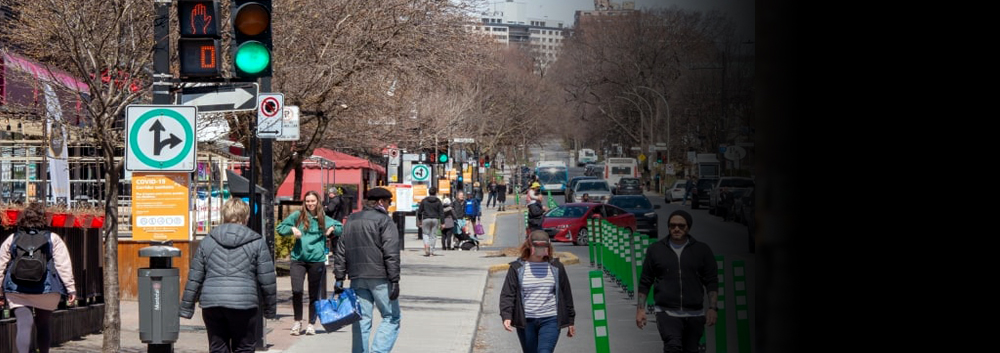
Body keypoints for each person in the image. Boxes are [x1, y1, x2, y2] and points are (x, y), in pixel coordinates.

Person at [180, 198, 277, 353]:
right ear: (246, 217)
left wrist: (186, 307)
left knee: (218, 347)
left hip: (213, 303)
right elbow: (267, 280)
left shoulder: (208, 241)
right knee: (244, 347)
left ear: (224, 216)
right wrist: (270, 309)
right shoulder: (257, 242)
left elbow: (195, 276)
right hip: (243, 303)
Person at [636, 210, 718, 353]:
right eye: (672, 225)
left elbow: (711, 282)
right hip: (666, 313)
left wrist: (712, 308)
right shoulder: (656, 250)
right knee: (672, 347)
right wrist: (640, 309)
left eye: (681, 226)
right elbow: (645, 281)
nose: (676, 229)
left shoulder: (701, 250)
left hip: (695, 314)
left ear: (688, 227)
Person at [0, 202, 76, 353]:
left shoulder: (13, 238)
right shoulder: (53, 238)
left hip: (17, 289)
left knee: (23, 324)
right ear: (43, 219)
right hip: (46, 289)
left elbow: (1, 265)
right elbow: (63, 265)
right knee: (43, 324)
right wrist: (70, 288)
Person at [334, 187, 401, 353]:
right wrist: (394, 279)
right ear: (380, 202)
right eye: (388, 202)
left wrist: (339, 277)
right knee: (391, 317)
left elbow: (341, 250)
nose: (389, 206)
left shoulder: (351, 219)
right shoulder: (384, 221)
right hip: (381, 277)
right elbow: (391, 252)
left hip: (357, 277)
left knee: (361, 319)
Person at [277, 190, 343, 336]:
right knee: (297, 291)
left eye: (313, 201)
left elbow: (340, 227)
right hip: (298, 259)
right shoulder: (298, 216)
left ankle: (311, 323)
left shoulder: (323, 218)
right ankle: (297, 321)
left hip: (316, 260)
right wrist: (292, 229)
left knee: (314, 294)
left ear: (318, 202)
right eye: (307, 201)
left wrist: (332, 229)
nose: (310, 204)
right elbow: (280, 228)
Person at [499, 230, 576, 353]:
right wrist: (506, 315)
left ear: (548, 246)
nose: (541, 250)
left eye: (543, 246)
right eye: (537, 247)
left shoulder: (556, 267)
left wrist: (570, 320)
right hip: (526, 321)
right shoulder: (517, 268)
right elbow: (508, 294)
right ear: (530, 245)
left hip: (550, 319)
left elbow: (566, 294)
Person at [417, 187, 444, 257]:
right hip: (435, 219)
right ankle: (431, 251)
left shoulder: (424, 200)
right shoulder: (438, 201)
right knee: (433, 235)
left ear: (429, 192)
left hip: (426, 219)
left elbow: (419, 211)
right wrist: (442, 222)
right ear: (435, 193)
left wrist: (420, 220)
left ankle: (427, 245)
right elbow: (441, 212)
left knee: (426, 234)